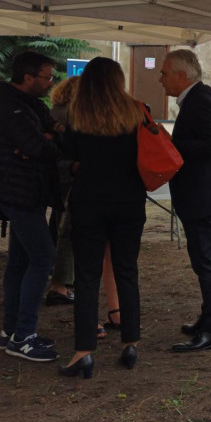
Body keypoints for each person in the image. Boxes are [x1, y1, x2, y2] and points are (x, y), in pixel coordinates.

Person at [58, 58, 145, 379]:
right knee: (127, 270)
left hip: (89, 201)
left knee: (86, 275)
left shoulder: (78, 115)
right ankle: (131, 343)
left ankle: (83, 352)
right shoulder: (137, 110)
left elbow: (69, 155)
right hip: (129, 201)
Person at [0, 51, 62, 363]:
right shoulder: (5, 105)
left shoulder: (31, 104)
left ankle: (11, 331)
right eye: (46, 77)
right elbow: (40, 147)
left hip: (29, 191)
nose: (50, 83)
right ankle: (23, 337)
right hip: (16, 193)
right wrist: (43, 139)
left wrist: (47, 135)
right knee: (43, 258)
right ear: (27, 77)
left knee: (19, 261)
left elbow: (52, 132)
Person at [161, 49, 211, 352]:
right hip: (205, 192)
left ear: (182, 76)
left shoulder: (202, 99)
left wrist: (170, 143)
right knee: (203, 259)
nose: (160, 79)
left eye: (165, 73)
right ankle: (209, 319)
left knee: (207, 261)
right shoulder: (201, 97)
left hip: (204, 194)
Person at [46, 75, 79, 306]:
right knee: (68, 230)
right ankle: (61, 285)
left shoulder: (55, 111)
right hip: (69, 175)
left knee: (61, 227)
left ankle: (61, 281)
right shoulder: (69, 115)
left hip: (57, 176)